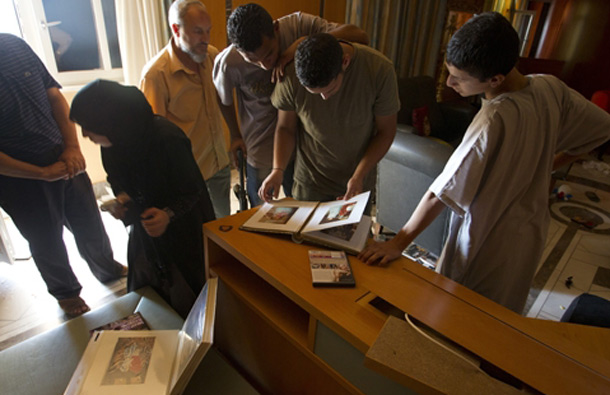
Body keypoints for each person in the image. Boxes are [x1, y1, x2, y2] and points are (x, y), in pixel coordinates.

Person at [359, 12, 610, 314]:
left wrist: (397, 243)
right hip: (529, 231)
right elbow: (600, 129)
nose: (450, 83)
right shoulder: (550, 87)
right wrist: (545, 168)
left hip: (487, 238)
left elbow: (440, 192)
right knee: (504, 312)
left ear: (495, 79)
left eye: (459, 78)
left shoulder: (493, 120)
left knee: (462, 312)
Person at [0, 33, 126, 317]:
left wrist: (71, 146)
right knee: (45, 238)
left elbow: (54, 96)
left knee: (89, 220)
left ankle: (106, 267)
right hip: (19, 177)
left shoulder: (13, 45)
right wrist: (40, 173)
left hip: (61, 155)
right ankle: (66, 294)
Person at [70, 79, 216, 318]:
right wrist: (122, 198)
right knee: (149, 295)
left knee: (190, 298)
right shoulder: (113, 142)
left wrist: (167, 214)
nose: (85, 134)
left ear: (109, 121)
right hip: (146, 229)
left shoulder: (166, 138)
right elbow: (116, 178)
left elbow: (192, 190)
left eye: (88, 126)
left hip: (184, 230)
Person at [213, 3, 369, 206]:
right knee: (260, 212)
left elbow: (359, 35)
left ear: (276, 29)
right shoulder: (228, 62)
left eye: (269, 54)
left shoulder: (297, 24)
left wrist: (303, 44)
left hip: (304, 146)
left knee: (299, 207)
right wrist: (234, 135)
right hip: (261, 147)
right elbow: (222, 96)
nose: (265, 65)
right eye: (253, 61)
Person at [259, 33, 399, 206]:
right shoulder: (290, 73)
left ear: (345, 62)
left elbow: (386, 131)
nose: (324, 98)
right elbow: (285, 128)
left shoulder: (379, 70)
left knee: (354, 232)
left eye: (329, 89)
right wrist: (277, 169)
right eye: (315, 93)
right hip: (310, 180)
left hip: (357, 179)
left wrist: (359, 175)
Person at [140, 0, 230, 218]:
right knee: (198, 235)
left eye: (208, 31)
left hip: (219, 164)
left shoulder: (211, 56)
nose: (205, 39)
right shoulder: (156, 75)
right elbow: (153, 137)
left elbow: (222, 101)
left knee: (223, 229)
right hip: (187, 175)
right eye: (198, 32)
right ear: (176, 30)